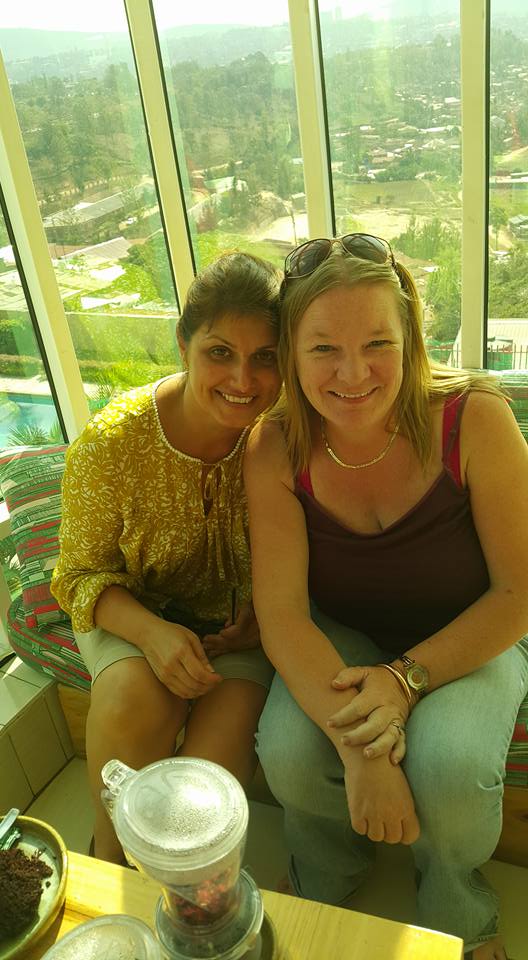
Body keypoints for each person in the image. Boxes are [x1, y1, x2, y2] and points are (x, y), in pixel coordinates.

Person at [244, 234, 528, 960]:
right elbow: (283, 613)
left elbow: (517, 592)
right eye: (323, 349)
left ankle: (457, 906)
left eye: (378, 344)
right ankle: (326, 869)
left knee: (449, 771)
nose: (353, 373)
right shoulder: (275, 446)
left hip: (472, 628)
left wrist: (403, 682)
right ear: (290, 352)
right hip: (344, 629)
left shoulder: (474, 419)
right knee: (289, 752)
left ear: (412, 340)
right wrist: (363, 752)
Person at [51, 251, 282, 864]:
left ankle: (184, 893)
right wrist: (152, 634)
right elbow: (77, 576)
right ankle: (107, 863)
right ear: (184, 344)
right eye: (220, 352)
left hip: (242, 636)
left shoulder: (287, 435)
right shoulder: (112, 443)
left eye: (265, 357)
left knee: (204, 792)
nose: (242, 380)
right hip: (131, 615)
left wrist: (266, 615)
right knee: (135, 700)